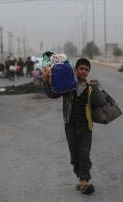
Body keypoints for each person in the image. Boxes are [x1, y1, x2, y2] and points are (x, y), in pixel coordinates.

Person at [43, 58, 106, 195]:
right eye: (81, 69)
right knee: (74, 156)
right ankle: (80, 177)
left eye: (86, 69)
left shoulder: (90, 88)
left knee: (84, 154)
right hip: (70, 126)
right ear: (76, 70)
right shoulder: (68, 86)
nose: (83, 71)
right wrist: (46, 81)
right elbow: (52, 94)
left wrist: (96, 87)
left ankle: (84, 181)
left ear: (88, 72)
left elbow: (100, 101)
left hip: (85, 127)